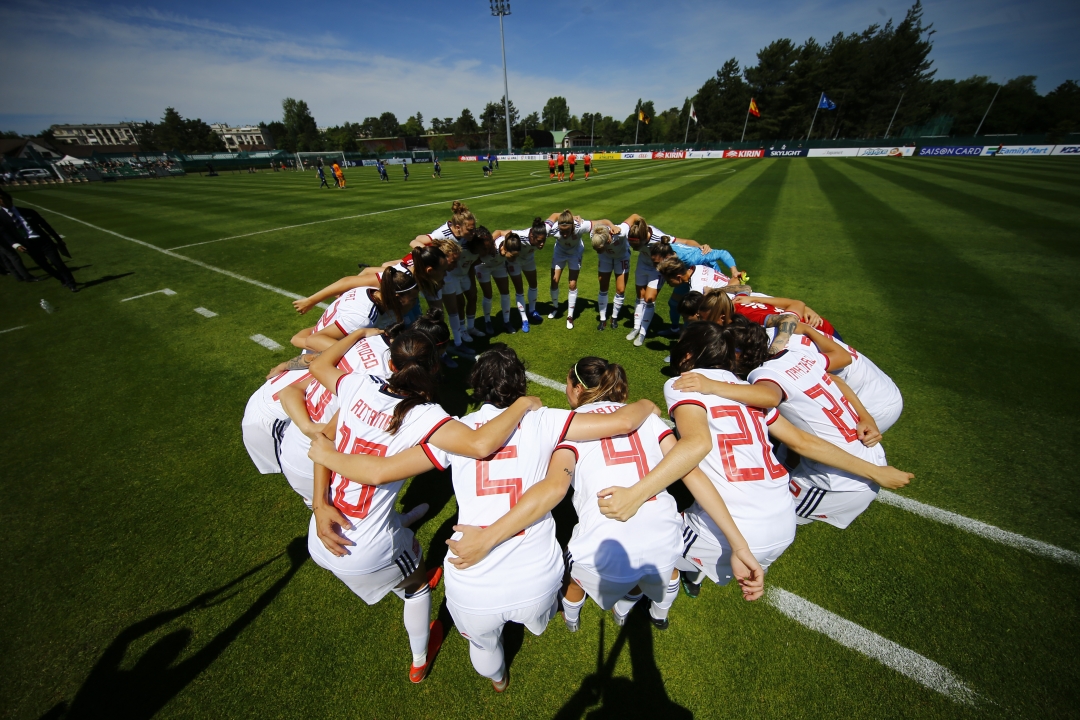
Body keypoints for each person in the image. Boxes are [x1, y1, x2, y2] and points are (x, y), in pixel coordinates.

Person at [308, 347, 661, 692]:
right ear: (521, 384)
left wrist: (324, 462)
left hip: (471, 581)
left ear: (476, 385)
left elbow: (380, 470)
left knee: (484, 648)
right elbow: (623, 422)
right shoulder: (547, 418)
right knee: (536, 616)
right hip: (537, 573)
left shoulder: (454, 431)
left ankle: (499, 680)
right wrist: (647, 405)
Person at [598, 322, 913, 596]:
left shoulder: (684, 384)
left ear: (689, 357)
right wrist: (874, 470)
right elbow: (804, 441)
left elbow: (696, 445)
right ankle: (695, 572)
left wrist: (636, 495)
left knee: (631, 555)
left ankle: (649, 603)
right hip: (782, 522)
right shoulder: (747, 389)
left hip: (735, 527)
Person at [305, 333, 547, 684]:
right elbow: (479, 444)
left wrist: (318, 503)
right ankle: (420, 658)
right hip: (363, 547)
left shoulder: (356, 384)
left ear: (391, 364)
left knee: (392, 514)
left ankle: (401, 521)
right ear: (435, 366)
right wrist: (522, 405)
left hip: (322, 528)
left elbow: (319, 365)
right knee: (417, 585)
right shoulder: (427, 416)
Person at [556, 357, 756, 631]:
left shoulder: (566, 426)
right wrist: (739, 544)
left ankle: (571, 619)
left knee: (574, 578)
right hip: (664, 537)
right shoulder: (649, 420)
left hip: (601, 544)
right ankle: (627, 612)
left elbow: (554, 485)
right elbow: (692, 472)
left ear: (578, 388)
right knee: (652, 574)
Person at [673, 318, 908, 530]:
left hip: (840, 479)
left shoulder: (764, 376)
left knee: (760, 520)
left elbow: (771, 398)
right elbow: (836, 380)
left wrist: (712, 386)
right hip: (864, 453)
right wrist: (865, 416)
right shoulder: (797, 356)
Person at [412, 201, 479, 350]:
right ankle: (440, 347)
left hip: (447, 274)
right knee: (438, 314)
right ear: (457, 227)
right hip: (434, 276)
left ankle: (458, 343)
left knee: (453, 309)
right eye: (470, 230)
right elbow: (415, 241)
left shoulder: (464, 236)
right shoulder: (442, 234)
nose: (473, 233)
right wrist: (434, 258)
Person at [1, 191, 77, 291]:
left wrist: (58, 239)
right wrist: (15, 245)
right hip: (28, 245)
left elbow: (45, 226)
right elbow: (4, 233)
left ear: (9, 198)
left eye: (3, 198)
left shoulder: (28, 211)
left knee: (57, 263)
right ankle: (62, 279)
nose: (2, 201)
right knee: (44, 266)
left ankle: (71, 283)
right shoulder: (1, 217)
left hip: (44, 241)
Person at [547, 209, 608, 328]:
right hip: (559, 253)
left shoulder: (580, 225)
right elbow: (538, 230)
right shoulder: (553, 229)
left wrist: (611, 226)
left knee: (572, 284)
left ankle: (570, 316)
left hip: (575, 253)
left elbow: (601, 222)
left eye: (567, 231)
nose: (564, 235)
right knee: (554, 282)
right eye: (562, 231)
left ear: (572, 226)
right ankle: (555, 308)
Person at [493, 217, 548, 325]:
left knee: (533, 284)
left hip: (529, 260)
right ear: (532, 236)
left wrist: (573, 216)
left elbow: (555, 216)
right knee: (520, 289)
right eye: (539, 241)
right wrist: (491, 244)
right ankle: (524, 319)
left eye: (544, 240)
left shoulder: (544, 231)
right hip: (514, 262)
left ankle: (532, 311)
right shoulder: (520, 235)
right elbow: (499, 232)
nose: (542, 244)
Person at [474, 232, 527, 334]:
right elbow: (475, 259)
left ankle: (506, 321)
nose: (514, 259)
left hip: (498, 266)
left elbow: (507, 232)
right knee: (488, 295)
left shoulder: (510, 242)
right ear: (505, 249)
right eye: (512, 256)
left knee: (505, 293)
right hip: (483, 267)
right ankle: (487, 321)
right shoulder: (490, 249)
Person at [589, 225, 630, 331]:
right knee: (603, 287)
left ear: (607, 241)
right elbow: (600, 222)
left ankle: (614, 318)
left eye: (599, 249)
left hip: (622, 257)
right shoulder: (594, 236)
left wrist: (613, 226)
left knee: (620, 289)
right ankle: (602, 319)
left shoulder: (620, 234)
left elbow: (634, 217)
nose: (597, 252)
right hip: (605, 257)